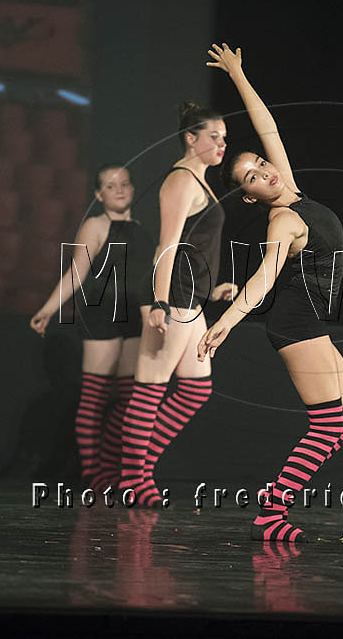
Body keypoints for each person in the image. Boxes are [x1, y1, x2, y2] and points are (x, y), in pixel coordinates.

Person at [198, 44, 343, 542]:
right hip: (295, 324)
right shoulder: (283, 219)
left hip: (312, 323)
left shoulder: (292, 188)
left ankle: (275, 503)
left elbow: (267, 126)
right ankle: (270, 516)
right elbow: (265, 279)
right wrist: (226, 322)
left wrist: (238, 74)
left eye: (260, 163)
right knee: (327, 424)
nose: (264, 171)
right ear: (251, 196)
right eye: (252, 177)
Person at [116, 101, 237, 506]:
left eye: (224, 138)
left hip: (191, 295)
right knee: (151, 387)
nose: (221, 144)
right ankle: (132, 479)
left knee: (196, 389)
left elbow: (193, 244)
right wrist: (160, 301)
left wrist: (212, 289)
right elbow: (167, 246)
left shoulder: (199, 180)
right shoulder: (182, 180)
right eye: (213, 137)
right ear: (190, 138)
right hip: (173, 295)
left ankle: (139, 470)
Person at [30, 164, 154, 489]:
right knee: (95, 397)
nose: (120, 190)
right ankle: (92, 472)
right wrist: (48, 309)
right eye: (111, 186)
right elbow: (77, 272)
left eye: (125, 183)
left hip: (133, 316)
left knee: (130, 399)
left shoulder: (142, 229)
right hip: (101, 313)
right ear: (99, 195)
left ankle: (111, 468)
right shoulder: (95, 225)